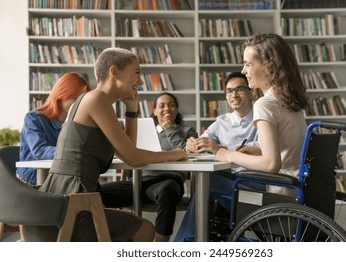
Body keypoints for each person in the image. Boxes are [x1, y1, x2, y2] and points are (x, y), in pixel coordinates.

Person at [22, 47, 188, 242]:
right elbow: (133, 158)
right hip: (71, 205)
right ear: (114, 72)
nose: (140, 81)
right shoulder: (96, 99)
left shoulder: (93, 102)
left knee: (142, 215)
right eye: (137, 73)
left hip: (65, 200)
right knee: (144, 229)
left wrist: (132, 110)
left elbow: (128, 148)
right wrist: (174, 153)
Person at [215, 33, 308, 197]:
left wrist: (229, 154)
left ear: (268, 66)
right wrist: (257, 151)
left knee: (209, 180)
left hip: (279, 192)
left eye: (248, 64)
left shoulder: (265, 104)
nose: (243, 71)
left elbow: (271, 164)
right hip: (298, 188)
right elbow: (290, 151)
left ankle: (188, 225)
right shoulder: (289, 100)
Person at [100, 92, 198, 242]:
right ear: (155, 111)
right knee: (96, 194)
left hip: (168, 180)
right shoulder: (143, 129)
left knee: (167, 191)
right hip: (140, 180)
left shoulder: (188, 132)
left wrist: (170, 130)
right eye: (162, 105)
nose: (167, 108)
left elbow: (182, 152)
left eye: (171, 105)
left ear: (177, 110)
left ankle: (159, 247)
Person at [174, 71, 259, 242]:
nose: (233, 95)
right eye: (229, 91)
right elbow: (202, 142)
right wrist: (191, 146)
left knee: (208, 182)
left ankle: (185, 242)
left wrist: (218, 148)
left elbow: (259, 148)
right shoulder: (222, 121)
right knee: (206, 179)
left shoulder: (261, 116)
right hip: (231, 180)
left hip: (254, 182)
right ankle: (193, 239)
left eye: (239, 89)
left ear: (251, 92)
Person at [17, 72, 91, 186]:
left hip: (59, 179)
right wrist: (73, 151)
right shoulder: (34, 118)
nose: (79, 104)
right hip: (32, 182)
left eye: (82, 100)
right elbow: (39, 151)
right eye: (75, 98)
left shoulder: (76, 121)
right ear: (62, 95)